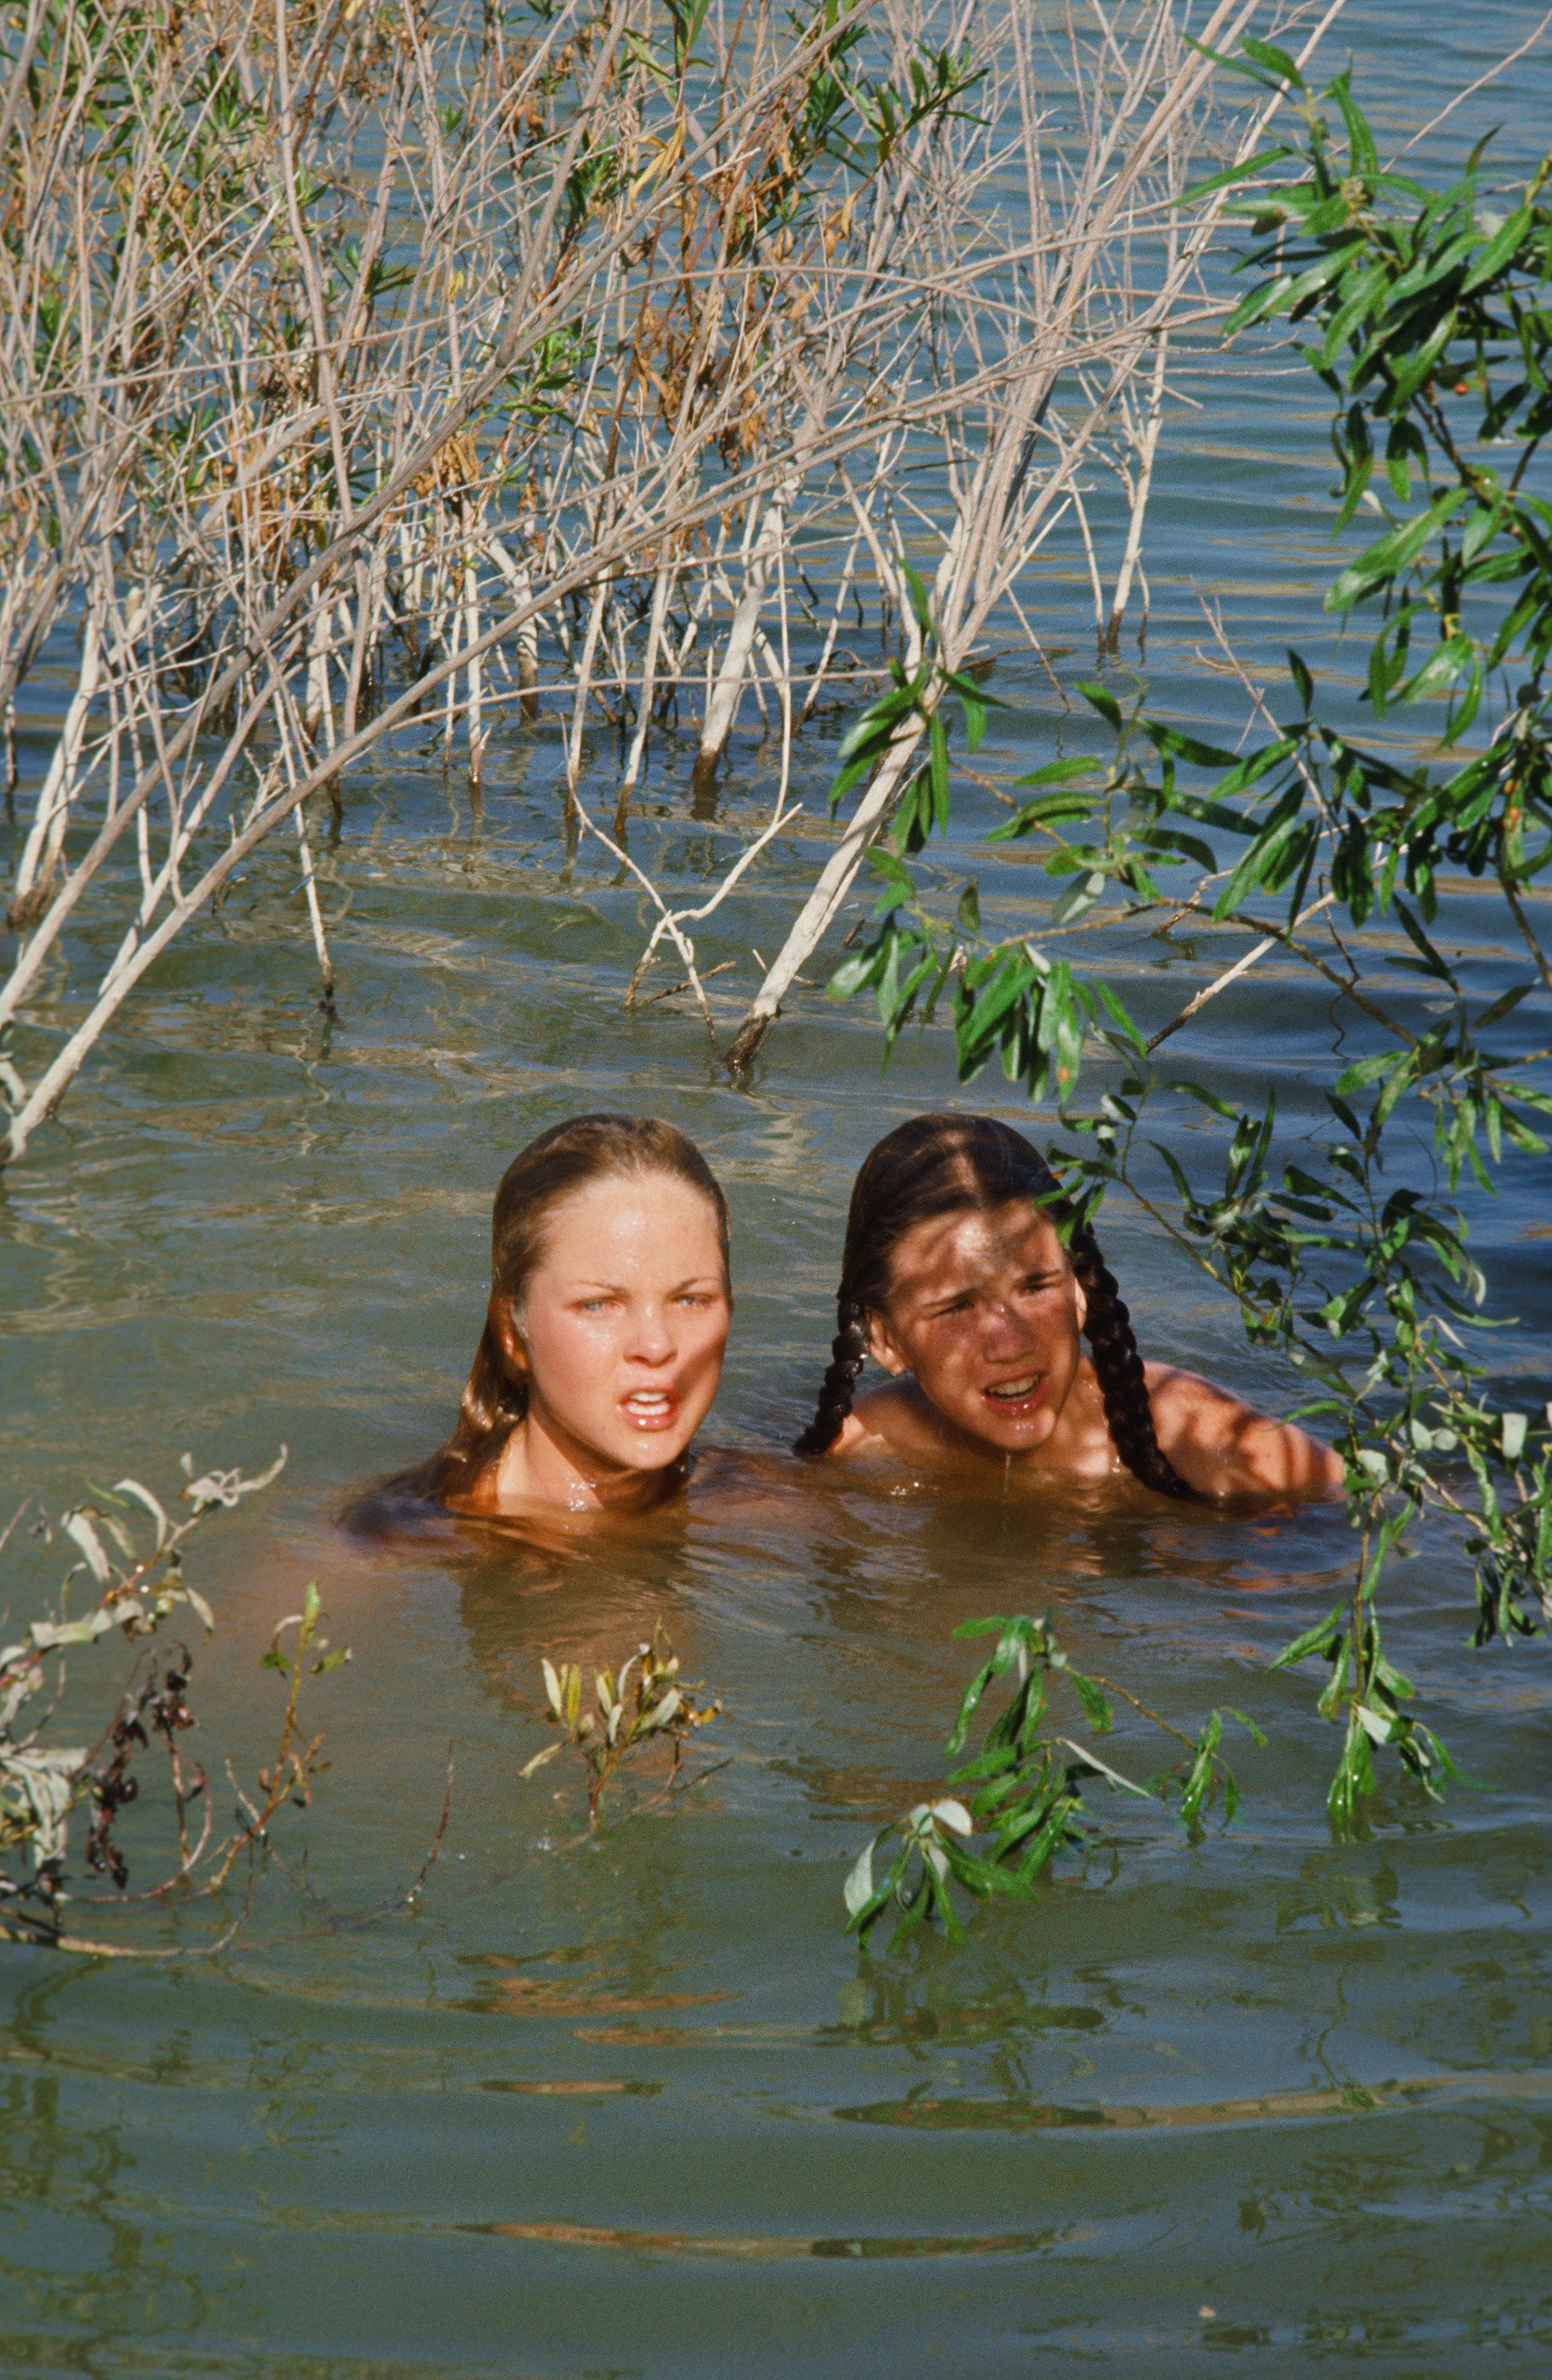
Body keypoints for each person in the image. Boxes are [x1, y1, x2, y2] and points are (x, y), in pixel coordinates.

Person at [796, 1112, 1343, 1505]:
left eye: (1035, 1288)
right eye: (957, 1307)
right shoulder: (869, 1448)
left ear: (1080, 1290)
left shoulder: (1204, 1440)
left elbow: (1395, 1527)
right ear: (885, 1339)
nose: (1009, 1343)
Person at [391, 1113, 732, 1520]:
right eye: (598, 1305)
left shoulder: (764, 1502)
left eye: (691, 1299)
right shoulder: (399, 1544)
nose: (656, 1346)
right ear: (512, 1333)